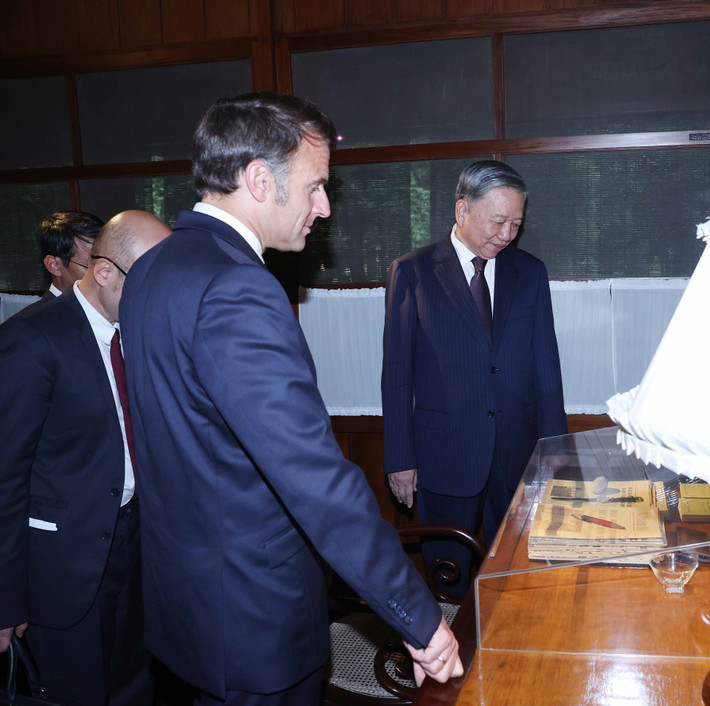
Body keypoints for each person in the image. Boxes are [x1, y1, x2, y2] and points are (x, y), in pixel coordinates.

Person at [118, 92, 462, 706]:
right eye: (315, 186)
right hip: (255, 619)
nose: (324, 207)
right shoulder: (237, 288)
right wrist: (420, 617)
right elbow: (314, 478)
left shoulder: (153, 267)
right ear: (258, 179)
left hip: (185, 607)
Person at [0, 210, 172, 706]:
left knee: (134, 686)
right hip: (62, 567)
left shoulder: (139, 333)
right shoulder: (31, 340)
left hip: (135, 546)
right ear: (103, 273)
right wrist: (6, 600)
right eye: (151, 280)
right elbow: (6, 479)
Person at [382, 159, 568, 594]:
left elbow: (547, 365)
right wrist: (399, 458)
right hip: (444, 454)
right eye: (498, 221)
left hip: (517, 454)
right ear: (462, 210)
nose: (507, 235)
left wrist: (555, 450)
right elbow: (396, 375)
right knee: (447, 579)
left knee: (518, 575)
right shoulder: (412, 273)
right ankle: (450, 661)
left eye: (516, 224)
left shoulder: (530, 273)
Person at [11, 210, 103, 319]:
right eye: (91, 266)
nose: (105, 274)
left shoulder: (118, 311)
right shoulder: (31, 328)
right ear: (54, 265)